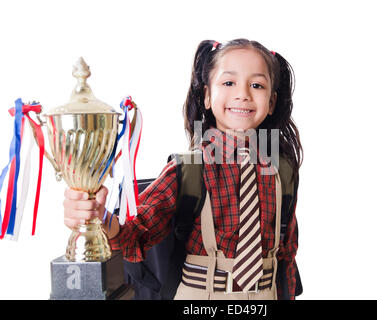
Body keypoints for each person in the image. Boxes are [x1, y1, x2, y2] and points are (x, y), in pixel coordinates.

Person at [63, 38, 303, 300]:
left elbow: (286, 254)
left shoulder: (282, 172)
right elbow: (136, 236)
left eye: (257, 85)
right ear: (207, 96)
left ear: (271, 102)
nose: (243, 93)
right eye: (229, 82)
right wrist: (99, 218)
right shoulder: (188, 169)